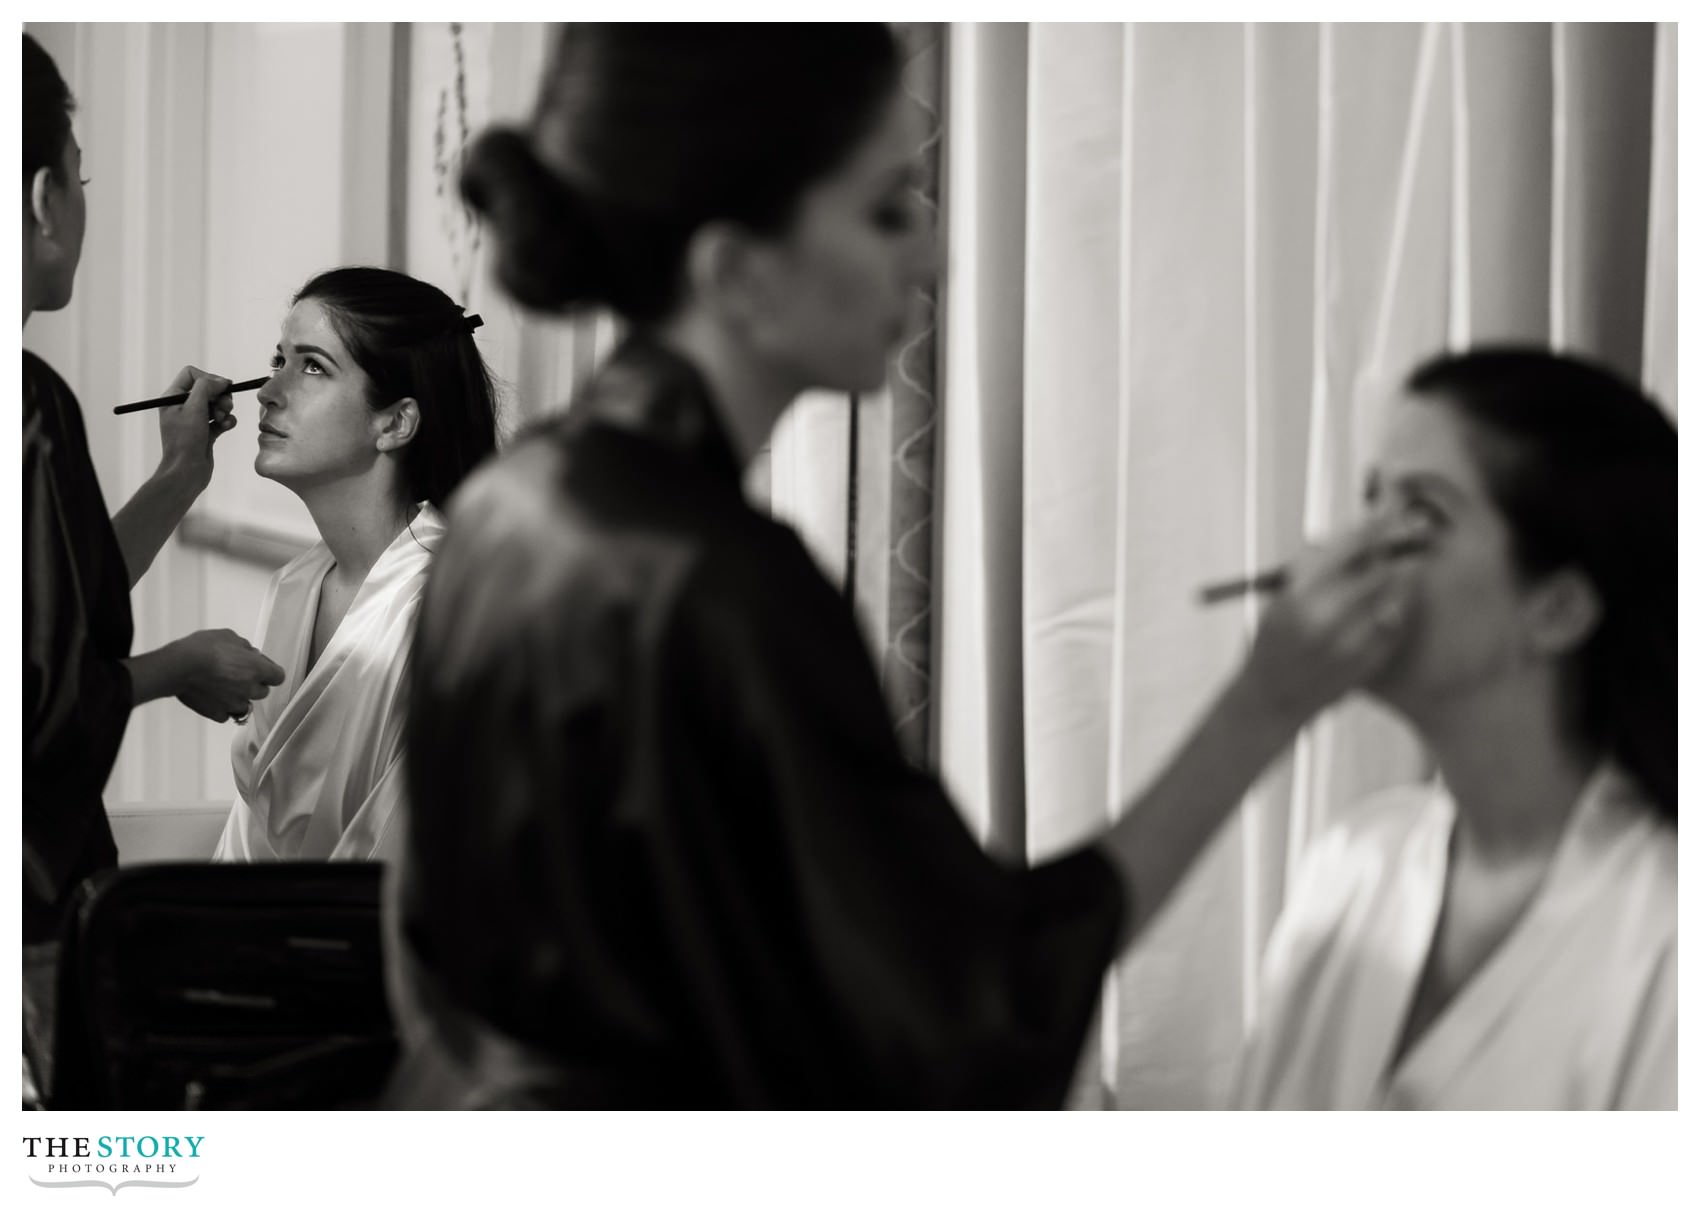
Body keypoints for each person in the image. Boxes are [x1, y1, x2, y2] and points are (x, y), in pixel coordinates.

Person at [383, 23, 1421, 1109]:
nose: (931, 250)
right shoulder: (723, 581)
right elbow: (973, 1014)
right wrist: (1264, 700)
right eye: (884, 207)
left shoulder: (511, 501)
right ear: (736, 271)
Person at [1233, 349, 1676, 1110]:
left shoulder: (1666, 931)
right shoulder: (1350, 865)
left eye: (1420, 516)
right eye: (1370, 502)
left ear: (1559, 608)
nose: (1347, 555)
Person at [23, 32, 285, 1092]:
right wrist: (176, 669)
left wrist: (181, 473)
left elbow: (57, 611)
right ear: (45, 197)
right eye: (82, 184)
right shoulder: (30, 409)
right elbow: (44, 709)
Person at [212, 267, 499, 863]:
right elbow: (247, 845)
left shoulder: (446, 610)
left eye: (312, 366)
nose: (267, 391)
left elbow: (401, 867)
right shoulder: (293, 586)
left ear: (394, 422)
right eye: (278, 360)